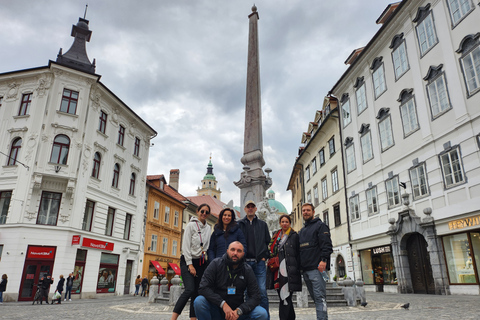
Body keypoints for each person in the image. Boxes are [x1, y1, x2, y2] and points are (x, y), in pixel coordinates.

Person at [194, 241, 268, 320]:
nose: (235, 253)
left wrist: (240, 310)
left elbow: (255, 296)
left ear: (243, 254)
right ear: (227, 251)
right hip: (217, 310)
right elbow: (203, 288)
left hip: (237, 314)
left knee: (261, 313)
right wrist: (223, 304)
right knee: (199, 301)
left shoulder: (247, 270)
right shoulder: (215, 264)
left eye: (239, 251)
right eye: (232, 250)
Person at [171, 203, 212, 320]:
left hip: (201, 262)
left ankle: (193, 318)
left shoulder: (208, 228)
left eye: (206, 212)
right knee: (189, 289)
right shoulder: (191, 225)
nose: (204, 214)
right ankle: (173, 318)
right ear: (197, 212)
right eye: (202, 211)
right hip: (187, 260)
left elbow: (207, 246)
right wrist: (190, 264)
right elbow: (185, 246)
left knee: (197, 292)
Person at [298, 203, 333, 320]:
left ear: (313, 212)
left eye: (308, 210)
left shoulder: (321, 226)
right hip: (306, 270)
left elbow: (327, 245)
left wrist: (323, 261)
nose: (305, 212)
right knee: (315, 298)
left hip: (317, 269)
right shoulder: (302, 231)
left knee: (319, 298)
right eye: (303, 211)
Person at [238, 200, 271, 318]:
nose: (250, 208)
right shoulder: (239, 224)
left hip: (259, 263)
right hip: (244, 263)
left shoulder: (262, 224)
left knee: (262, 291)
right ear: (245, 209)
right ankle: (250, 317)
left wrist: (264, 257)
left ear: (256, 209)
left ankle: (265, 317)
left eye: (252, 206)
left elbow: (268, 241)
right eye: (248, 207)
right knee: (246, 292)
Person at [267, 215, 301, 320]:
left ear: (290, 223)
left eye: (286, 221)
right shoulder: (275, 235)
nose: (284, 223)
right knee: (284, 297)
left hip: (289, 271)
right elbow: (270, 250)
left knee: (285, 297)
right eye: (282, 221)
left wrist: (299, 269)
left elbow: (298, 253)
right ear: (280, 223)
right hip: (277, 271)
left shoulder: (294, 236)